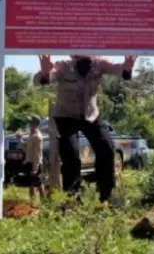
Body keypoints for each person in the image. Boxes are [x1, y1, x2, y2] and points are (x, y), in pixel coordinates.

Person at [34, 54, 136, 203]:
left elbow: (119, 70)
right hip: (66, 116)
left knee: (107, 149)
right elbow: (40, 80)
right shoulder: (63, 65)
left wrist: (126, 68)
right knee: (70, 154)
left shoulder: (99, 63)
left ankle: (106, 196)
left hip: (91, 115)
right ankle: (72, 198)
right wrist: (44, 73)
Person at [23, 115, 46, 202]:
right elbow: (26, 148)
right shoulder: (31, 135)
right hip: (29, 162)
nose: (29, 125)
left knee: (39, 184)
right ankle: (32, 203)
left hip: (35, 163)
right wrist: (19, 139)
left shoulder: (37, 137)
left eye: (31, 123)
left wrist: (35, 168)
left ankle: (44, 203)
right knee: (31, 184)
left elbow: (37, 154)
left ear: (35, 124)